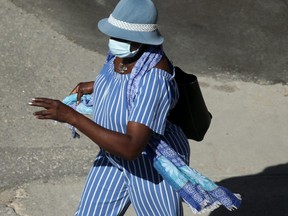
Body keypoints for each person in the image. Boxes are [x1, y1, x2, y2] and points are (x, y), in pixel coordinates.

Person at [30, 0, 241, 215]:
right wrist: (98, 85)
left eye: (121, 37)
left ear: (142, 41)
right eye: (113, 35)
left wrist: (72, 117)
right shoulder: (124, 54)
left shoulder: (153, 79)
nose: (114, 41)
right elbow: (124, 80)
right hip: (112, 156)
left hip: (151, 165)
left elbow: (132, 148)